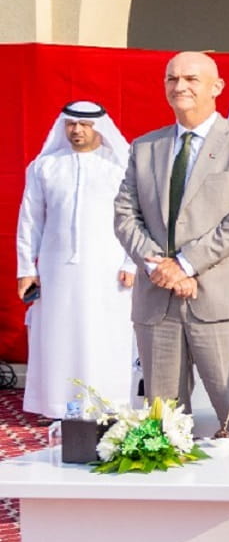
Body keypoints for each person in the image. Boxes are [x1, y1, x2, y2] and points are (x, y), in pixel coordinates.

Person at [111, 51, 229, 440]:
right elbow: (124, 214)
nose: (179, 86)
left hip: (222, 302)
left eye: (190, 79)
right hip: (158, 303)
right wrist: (158, 268)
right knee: (162, 425)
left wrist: (185, 263)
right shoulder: (146, 147)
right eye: (172, 79)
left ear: (216, 87)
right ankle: (168, 500)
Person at [16, 102, 136, 418]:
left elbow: (137, 218)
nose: (77, 130)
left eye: (84, 124)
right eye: (71, 124)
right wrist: (26, 268)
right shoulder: (44, 167)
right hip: (56, 270)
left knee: (103, 334)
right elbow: (30, 220)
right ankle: (56, 406)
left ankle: (107, 405)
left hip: (107, 269)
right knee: (57, 335)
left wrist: (131, 263)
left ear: (100, 127)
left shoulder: (120, 166)